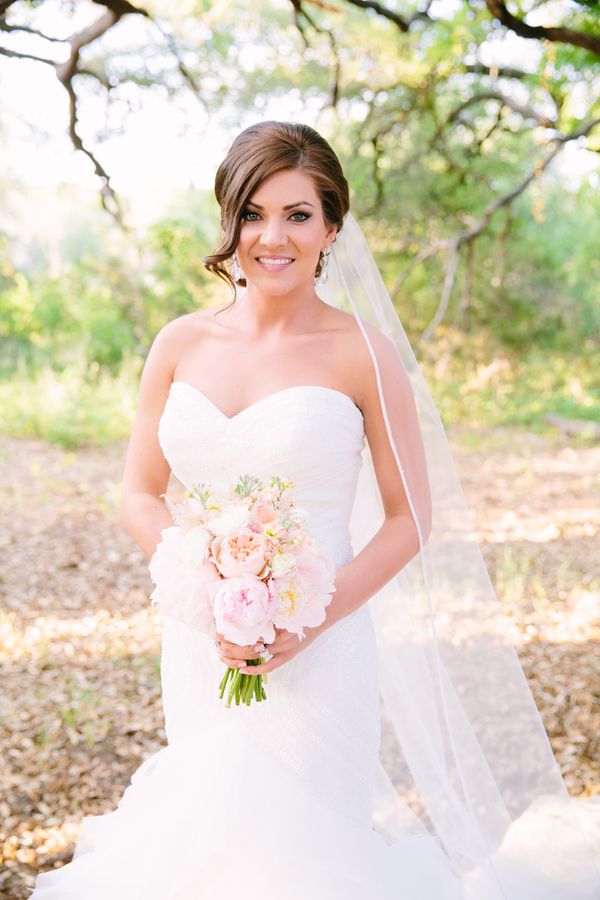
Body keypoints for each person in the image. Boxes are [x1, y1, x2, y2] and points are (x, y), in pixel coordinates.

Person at [28, 121, 600, 899]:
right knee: (211, 846)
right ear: (228, 221)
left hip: (322, 647)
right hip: (203, 642)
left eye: (298, 214)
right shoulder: (177, 344)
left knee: (311, 859)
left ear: (332, 227)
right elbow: (138, 491)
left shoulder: (362, 352)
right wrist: (207, 588)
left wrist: (305, 619)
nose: (273, 237)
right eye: (254, 213)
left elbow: (409, 519)